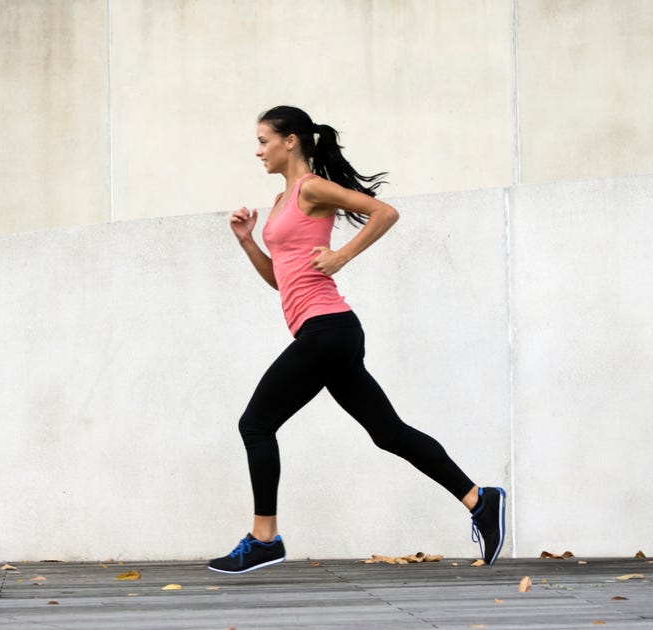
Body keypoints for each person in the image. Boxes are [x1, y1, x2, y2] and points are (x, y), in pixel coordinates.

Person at [208, 105, 506, 574]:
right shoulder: (284, 199)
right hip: (326, 332)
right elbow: (280, 282)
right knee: (389, 433)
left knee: (256, 425)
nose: (258, 149)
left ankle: (264, 538)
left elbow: (385, 212)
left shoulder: (311, 188)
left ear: (291, 141)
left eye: (264, 140)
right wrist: (247, 240)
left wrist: (343, 255)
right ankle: (479, 499)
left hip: (328, 330)